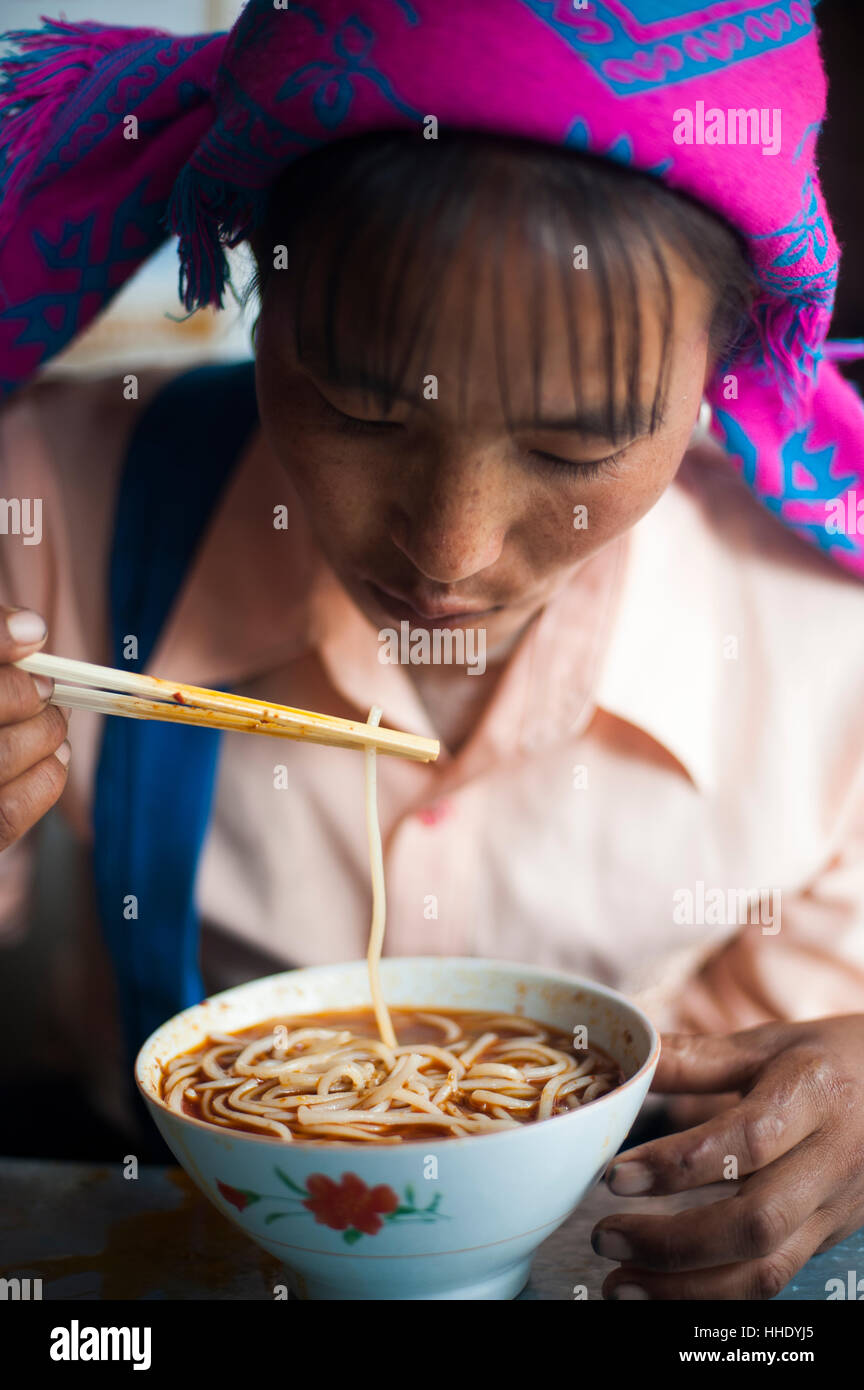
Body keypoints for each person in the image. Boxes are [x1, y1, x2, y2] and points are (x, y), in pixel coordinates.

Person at [1, 0, 863, 1301]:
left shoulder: (822, 644)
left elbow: (768, 1087)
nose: (449, 553)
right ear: (252, 284)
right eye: (357, 409)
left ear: (721, 360)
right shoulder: (57, 508)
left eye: (574, 449)